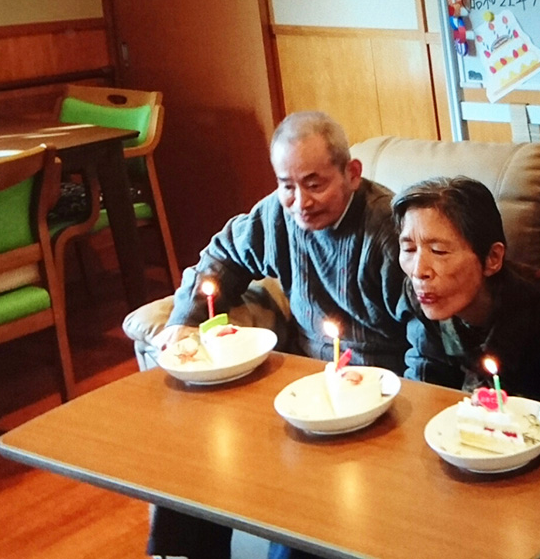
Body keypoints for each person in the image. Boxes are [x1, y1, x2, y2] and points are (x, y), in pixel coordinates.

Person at [137, 111, 416, 559]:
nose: (300, 202)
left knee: (300, 529)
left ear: (352, 173)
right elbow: (221, 256)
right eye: (287, 185)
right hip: (301, 385)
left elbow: (426, 329)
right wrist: (184, 320)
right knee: (195, 469)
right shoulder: (278, 216)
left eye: (314, 183)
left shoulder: (389, 228)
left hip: (378, 395)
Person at [393, 176, 540, 421]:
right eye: (409, 249)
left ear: (492, 258)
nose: (419, 271)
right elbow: (426, 385)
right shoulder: (421, 295)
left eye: (439, 251)